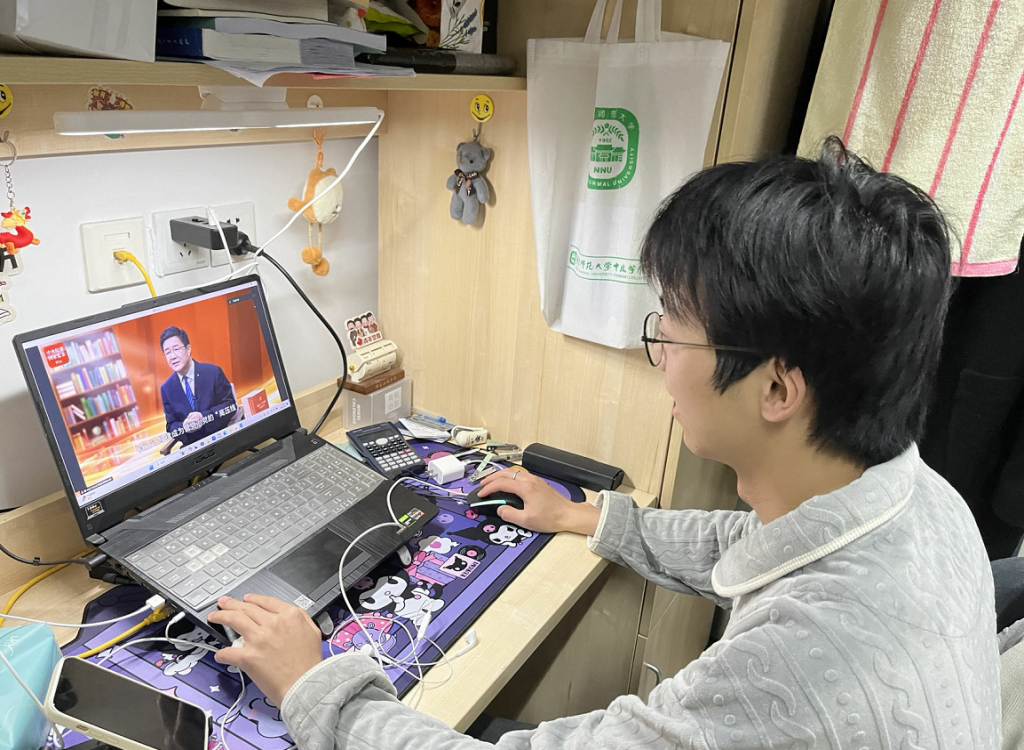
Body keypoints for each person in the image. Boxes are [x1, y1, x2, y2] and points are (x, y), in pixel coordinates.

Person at [208, 139, 1001, 748]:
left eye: (672, 330)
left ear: (777, 390)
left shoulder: (788, 671)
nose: (660, 358)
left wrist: (315, 687)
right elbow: (756, 544)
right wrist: (587, 518)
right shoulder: (920, 500)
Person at [159, 326, 235, 447]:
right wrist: (184, 426)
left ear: (188, 349)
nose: (172, 356)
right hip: (192, 448)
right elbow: (171, 426)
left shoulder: (213, 372)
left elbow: (230, 406)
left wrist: (203, 418)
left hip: (220, 438)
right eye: (167, 352)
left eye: (176, 349)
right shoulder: (166, 389)